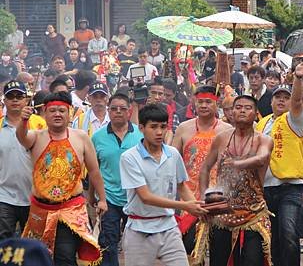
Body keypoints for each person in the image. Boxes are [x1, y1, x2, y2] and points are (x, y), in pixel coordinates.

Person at [17, 91, 107, 266]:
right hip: (40, 210)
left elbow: (94, 171)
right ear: (44, 113)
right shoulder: (36, 136)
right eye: (52, 111)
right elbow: (22, 137)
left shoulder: (81, 137)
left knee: (64, 256)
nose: (57, 114)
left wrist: (101, 199)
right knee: (37, 259)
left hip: (70, 209)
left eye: (61, 110)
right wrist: (23, 121)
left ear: (69, 113)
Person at [119, 104, 206, 266]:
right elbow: (145, 197)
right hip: (140, 229)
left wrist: (196, 206)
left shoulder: (172, 154)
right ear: (141, 128)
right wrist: (186, 206)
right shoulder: (129, 158)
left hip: (169, 227)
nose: (159, 132)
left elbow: (181, 186)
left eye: (163, 127)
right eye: (153, 127)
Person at [198, 95, 274, 266]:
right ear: (231, 112)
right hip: (222, 211)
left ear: (255, 114)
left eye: (247, 108)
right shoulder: (221, 138)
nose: (242, 111)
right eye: (238, 107)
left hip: (253, 213)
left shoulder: (264, 139)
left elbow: (262, 158)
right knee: (218, 261)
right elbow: (204, 168)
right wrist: (205, 199)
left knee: (252, 261)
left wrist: (238, 164)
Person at [254, 61, 303, 266]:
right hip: (265, 187)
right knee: (272, 237)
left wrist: (297, 79)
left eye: (285, 98)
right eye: (277, 97)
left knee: (288, 233)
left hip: (290, 187)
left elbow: (297, 101)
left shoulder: (295, 119)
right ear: (270, 102)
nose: (281, 100)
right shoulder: (262, 124)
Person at [171, 85, 234, 255]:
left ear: (216, 104)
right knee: (189, 247)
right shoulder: (184, 128)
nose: (204, 106)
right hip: (189, 197)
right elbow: (172, 159)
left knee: (220, 248)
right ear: (194, 103)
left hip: (219, 196)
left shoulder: (227, 130)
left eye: (208, 102)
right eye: (200, 102)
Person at [91, 93, 143, 266]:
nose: (118, 112)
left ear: (129, 111)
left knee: (135, 243)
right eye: (114, 109)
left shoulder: (140, 135)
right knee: (108, 243)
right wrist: (92, 197)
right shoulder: (97, 137)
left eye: (122, 109)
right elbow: (93, 170)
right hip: (108, 198)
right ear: (108, 111)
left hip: (135, 197)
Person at [0, 81, 35, 240]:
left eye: (19, 96)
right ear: (4, 100)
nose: (15, 100)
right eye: (10, 96)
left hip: (34, 196)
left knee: (31, 244)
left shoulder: (39, 124)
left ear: (26, 100)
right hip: (4, 196)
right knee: (4, 243)